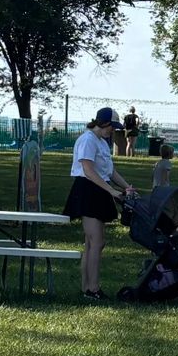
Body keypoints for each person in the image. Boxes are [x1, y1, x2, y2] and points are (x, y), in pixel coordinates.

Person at [63, 107, 134, 301]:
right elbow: (87, 170)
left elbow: (109, 171)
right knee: (97, 242)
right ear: (104, 124)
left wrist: (126, 187)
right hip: (88, 190)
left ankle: (88, 287)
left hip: (98, 189)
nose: (113, 130)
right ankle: (92, 289)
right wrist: (111, 191)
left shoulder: (102, 142)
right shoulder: (88, 140)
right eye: (112, 126)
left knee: (92, 243)